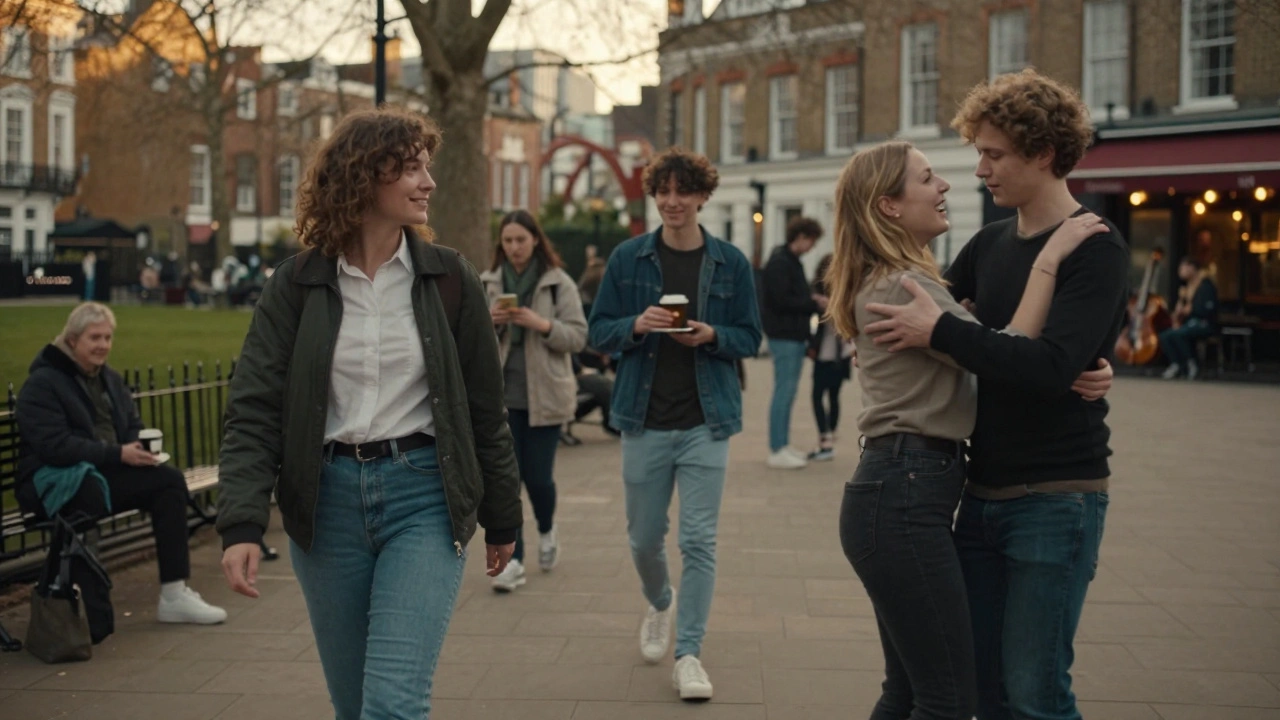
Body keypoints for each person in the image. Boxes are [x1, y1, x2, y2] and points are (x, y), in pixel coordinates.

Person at [216, 106, 523, 720]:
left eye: (427, 167)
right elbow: (253, 410)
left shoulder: (449, 279)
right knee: (354, 705)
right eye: (410, 168)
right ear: (362, 176)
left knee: (393, 703)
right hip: (325, 505)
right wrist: (242, 524)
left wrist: (502, 516)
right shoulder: (295, 284)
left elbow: (486, 411)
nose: (427, 183)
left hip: (424, 499)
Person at [862, 69, 1124, 720]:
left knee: (1035, 693)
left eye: (994, 154)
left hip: (1055, 500)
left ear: (1042, 152)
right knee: (978, 687)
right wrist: (953, 332)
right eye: (979, 152)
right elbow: (948, 330)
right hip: (978, 500)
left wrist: (1081, 362)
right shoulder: (986, 245)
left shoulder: (1096, 246)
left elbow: (1043, 366)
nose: (979, 169)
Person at [587, 147, 762, 701]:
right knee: (643, 539)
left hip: (707, 422)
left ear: (702, 196)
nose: (671, 202)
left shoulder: (730, 262)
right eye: (663, 191)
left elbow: (751, 338)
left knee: (699, 541)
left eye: (683, 191)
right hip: (642, 419)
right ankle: (660, 601)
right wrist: (636, 325)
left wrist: (713, 336)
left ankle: (689, 654)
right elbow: (598, 332)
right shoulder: (627, 259)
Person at [15, 302, 228, 626]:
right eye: (94, 337)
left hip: (102, 474)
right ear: (72, 340)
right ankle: (76, 601)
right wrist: (117, 454)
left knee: (168, 481)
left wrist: (141, 447)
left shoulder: (109, 379)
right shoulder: (43, 383)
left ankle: (174, 595)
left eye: (108, 337)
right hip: (59, 481)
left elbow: (129, 425)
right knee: (88, 496)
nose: (103, 345)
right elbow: (54, 447)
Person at [482, 209, 587, 592]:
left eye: (520, 240)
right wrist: (489, 324)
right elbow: (469, 344)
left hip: (546, 397)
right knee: (507, 484)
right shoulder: (487, 283)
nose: (513, 248)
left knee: (538, 479)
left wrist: (541, 325)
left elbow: (577, 337)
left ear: (536, 241)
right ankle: (514, 561)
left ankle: (547, 528)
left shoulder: (559, 284)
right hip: (501, 400)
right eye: (507, 241)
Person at [760, 216, 825, 469]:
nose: (811, 247)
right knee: (783, 393)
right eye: (811, 241)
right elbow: (781, 301)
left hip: (791, 334)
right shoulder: (781, 263)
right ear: (801, 237)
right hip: (785, 335)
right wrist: (814, 303)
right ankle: (777, 448)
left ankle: (782, 444)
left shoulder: (788, 261)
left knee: (786, 392)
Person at [805, 253, 852, 462]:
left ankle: (827, 439)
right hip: (827, 354)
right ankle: (827, 437)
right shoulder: (819, 294)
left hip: (836, 356)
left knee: (827, 396)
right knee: (823, 396)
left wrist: (829, 305)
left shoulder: (844, 294)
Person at [1160, 255, 1218, 380]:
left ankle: (1192, 364)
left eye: (1183, 268)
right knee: (1166, 335)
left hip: (1204, 323)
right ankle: (1177, 364)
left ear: (1192, 268)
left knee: (1179, 334)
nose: (1180, 271)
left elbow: (1207, 310)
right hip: (1189, 323)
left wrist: (1190, 310)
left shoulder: (1205, 285)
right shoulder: (1186, 288)